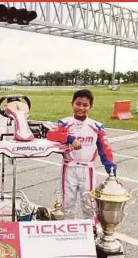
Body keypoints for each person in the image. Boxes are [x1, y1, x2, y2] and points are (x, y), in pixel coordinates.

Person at [46, 89, 116, 233]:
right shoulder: (64, 123)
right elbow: (51, 134)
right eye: (78, 104)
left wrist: (111, 169)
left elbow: (105, 150)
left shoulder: (97, 126)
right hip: (69, 168)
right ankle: (67, 231)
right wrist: (70, 139)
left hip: (87, 170)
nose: (81, 108)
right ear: (72, 103)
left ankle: (91, 231)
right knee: (68, 203)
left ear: (90, 107)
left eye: (85, 105)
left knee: (89, 203)